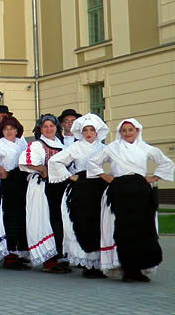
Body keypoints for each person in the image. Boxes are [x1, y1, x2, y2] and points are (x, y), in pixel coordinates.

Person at [87, 118, 175, 282]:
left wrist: (153, 177)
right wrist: (107, 177)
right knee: (123, 230)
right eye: (124, 130)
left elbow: (166, 162)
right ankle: (127, 269)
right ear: (120, 132)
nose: (127, 133)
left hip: (141, 192)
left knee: (142, 229)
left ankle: (140, 268)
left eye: (130, 130)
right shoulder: (113, 148)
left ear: (137, 131)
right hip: (119, 191)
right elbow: (93, 162)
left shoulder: (145, 147)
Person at [48, 114, 109, 277]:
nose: (88, 133)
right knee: (84, 223)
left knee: (100, 224)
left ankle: (99, 262)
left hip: (100, 187)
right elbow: (54, 161)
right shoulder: (76, 147)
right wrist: (72, 176)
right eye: (85, 130)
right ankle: (88, 264)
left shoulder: (103, 148)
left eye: (92, 130)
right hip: (82, 188)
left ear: (97, 132)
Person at [20, 114, 70, 273]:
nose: (49, 129)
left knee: (58, 220)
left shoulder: (61, 144)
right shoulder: (37, 145)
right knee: (45, 221)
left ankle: (57, 256)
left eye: (51, 126)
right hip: (43, 188)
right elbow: (26, 162)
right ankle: (48, 260)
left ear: (57, 127)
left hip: (60, 187)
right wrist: (41, 168)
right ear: (40, 129)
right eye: (45, 126)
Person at [0, 115, 29, 270]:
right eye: (6, 129)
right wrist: (2, 171)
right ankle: (9, 256)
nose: (9, 132)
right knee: (8, 218)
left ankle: (17, 253)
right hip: (7, 184)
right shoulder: (0, 145)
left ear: (17, 130)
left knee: (19, 217)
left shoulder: (21, 144)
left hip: (20, 183)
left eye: (12, 128)